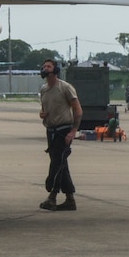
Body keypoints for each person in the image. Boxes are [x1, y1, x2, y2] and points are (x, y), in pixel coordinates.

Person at [38, 61, 82, 211]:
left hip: (64, 130)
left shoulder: (65, 87)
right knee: (62, 164)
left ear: (55, 70)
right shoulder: (44, 89)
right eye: (44, 66)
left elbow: (78, 110)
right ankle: (70, 199)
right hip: (50, 131)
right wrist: (42, 115)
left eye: (48, 66)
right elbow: (43, 109)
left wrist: (73, 131)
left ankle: (52, 196)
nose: (45, 69)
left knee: (57, 163)